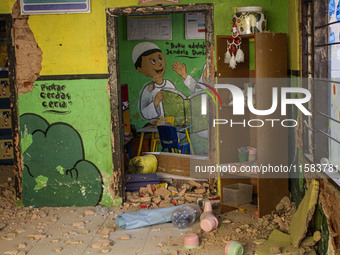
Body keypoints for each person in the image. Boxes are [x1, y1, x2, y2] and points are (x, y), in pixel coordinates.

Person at [132, 42, 177, 121]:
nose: (159, 64)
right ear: (140, 68)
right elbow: (144, 113)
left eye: (160, 59)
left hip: (171, 120)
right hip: (156, 123)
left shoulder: (169, 84)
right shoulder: (148, 89)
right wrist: (155, 102)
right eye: (153, 61)